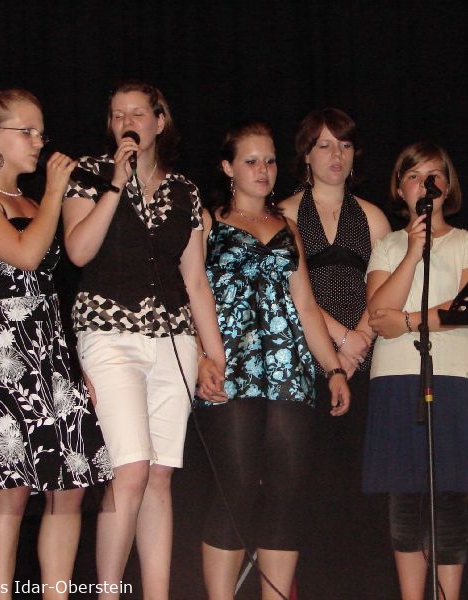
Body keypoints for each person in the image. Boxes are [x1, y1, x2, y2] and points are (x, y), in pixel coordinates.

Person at [0, 89, 110, 600]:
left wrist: (71, 365)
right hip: (2, 357)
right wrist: (56, 192)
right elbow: (26, 255)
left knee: (69, 486)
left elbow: (51, 289)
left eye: (41, 132)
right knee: (10, 488)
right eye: (27, 131)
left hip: (48, 353)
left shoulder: (32, 203)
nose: (38, 142)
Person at [62, 79, 226, 600]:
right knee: (129, 470)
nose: (126, 122)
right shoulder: (89, 174)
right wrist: (115, 183)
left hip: (172, 341)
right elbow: (78, 252)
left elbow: (195, 281)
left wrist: (214, 354)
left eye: (137, 113)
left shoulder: (185, 191)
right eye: (117, 115)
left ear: (159, 121)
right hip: (108, 335)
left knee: (159, 475)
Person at [196, 120, 351, 600]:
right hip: (231, 369)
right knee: (237, 487)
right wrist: (201, 356)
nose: (263, 170)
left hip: (289, 372)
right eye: (251, 161)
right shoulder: (206, 222)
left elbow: (306, 306)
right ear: (228, 167)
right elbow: (189, 294)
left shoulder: (288, 228)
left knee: (287, 491)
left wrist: (333, 368)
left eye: (269, 160)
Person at [364, 142, 468, 600]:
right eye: (414, 176)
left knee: (449, 499)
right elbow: (377, 313)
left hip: (457, 377)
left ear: (447, 186)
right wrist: (412, 252)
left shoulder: (467, 242)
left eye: (435, 175)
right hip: (396, 378)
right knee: (404, 499)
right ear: (400, 189)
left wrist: (407, 321)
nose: (426, 184)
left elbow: (465, 307)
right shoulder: (387, 246)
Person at [279, 108, 391, 597]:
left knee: (360, 480)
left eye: (344, 145)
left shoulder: (373, 216)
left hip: (364, 360)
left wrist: (357, 345)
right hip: (307, 361)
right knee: (310, 480)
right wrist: (339, 343)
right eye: (324, 145)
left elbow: (384, 290)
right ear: (306, 154)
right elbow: (292, 291)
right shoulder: (283, 213)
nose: (335, 155)